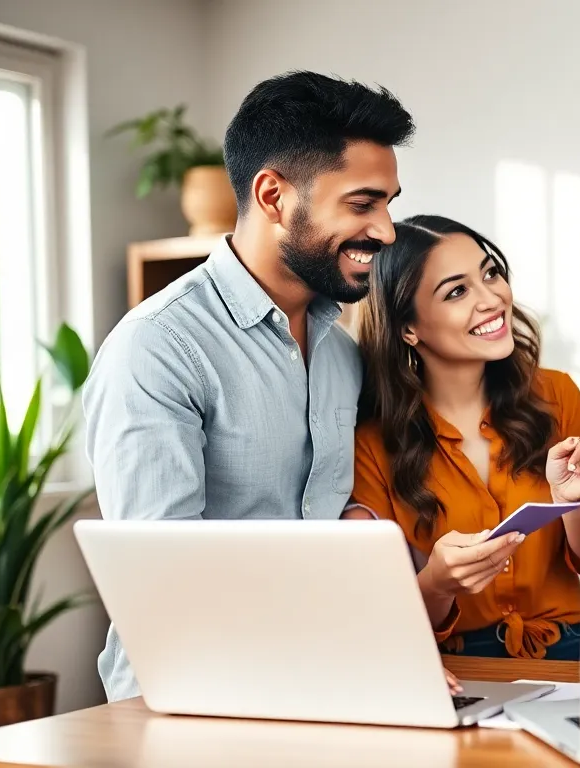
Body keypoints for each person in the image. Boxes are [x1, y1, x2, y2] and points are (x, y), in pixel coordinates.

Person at [82, 70, 417, 702]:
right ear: (272, 196)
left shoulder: (340, 352)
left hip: (318, 682)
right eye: (362, 204)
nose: (387, 231)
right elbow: (166, 584)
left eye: (389, 203)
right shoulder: (159, 347)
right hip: (188, 698)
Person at [348, 215, 580, 661]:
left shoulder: (557, 395)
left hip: (574, 648)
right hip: (455, 663)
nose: (492, 298)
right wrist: (437, 583)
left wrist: (570, 503)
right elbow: (380, 621)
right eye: (457, 291)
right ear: (408, 328)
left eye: (490, 273)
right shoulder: (371, 444)